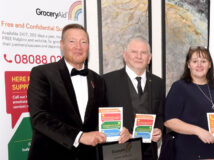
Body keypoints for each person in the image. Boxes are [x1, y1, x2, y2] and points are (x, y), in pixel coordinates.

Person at [27, 23, 106, 160]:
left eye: (83, 42)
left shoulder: (98, 80)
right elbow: (40, 118)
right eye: (72, 41)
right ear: (62, 45)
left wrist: (117, 131)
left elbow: (103, 117)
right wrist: (79, 136)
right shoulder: (42, 73)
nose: (78, 47)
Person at [164, 46, 214, 160]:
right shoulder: (179, 87)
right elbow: (169, 121)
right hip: (190, 150)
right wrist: (198, 131)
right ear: (188, 64)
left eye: (203, 61)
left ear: (209, 64)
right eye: (195, 61)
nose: (199, 65)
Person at [102, 36, 164, 160]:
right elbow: (98, 117)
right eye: (134, 52)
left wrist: (159, 130)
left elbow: (161, 114)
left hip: (149, 153)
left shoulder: (158, 83)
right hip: (118, 151)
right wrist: (118, 130)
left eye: (143, 52)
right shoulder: (107, 81)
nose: (139, 56)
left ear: (149, 58)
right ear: (125, 56)